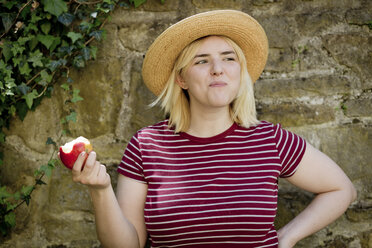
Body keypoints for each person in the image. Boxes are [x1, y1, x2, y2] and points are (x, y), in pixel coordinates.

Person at [67, 10, 357, 248]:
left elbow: (341, 189)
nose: (218, 69)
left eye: (229, 58)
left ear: (239, 72)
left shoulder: (270, 139)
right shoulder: (147, 145)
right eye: (201, 61)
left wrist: (288, 237)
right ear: (181, 79)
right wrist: (101, 191)